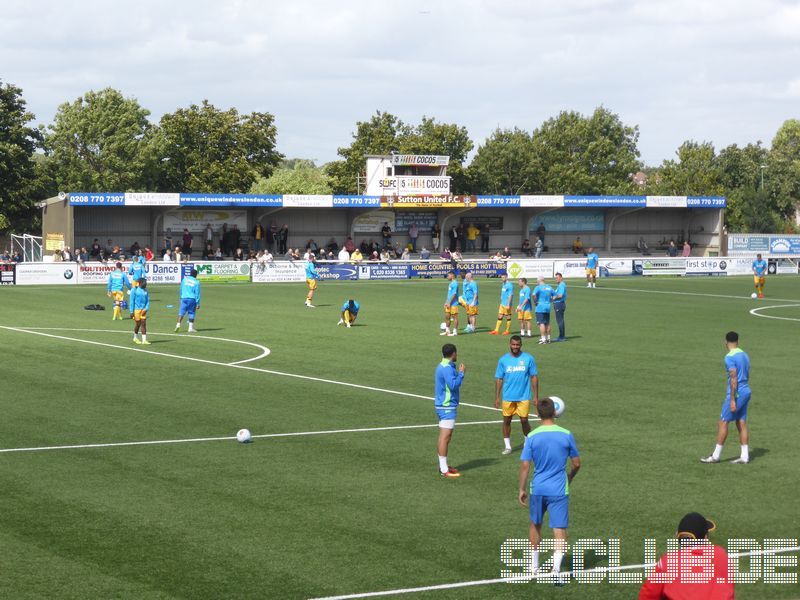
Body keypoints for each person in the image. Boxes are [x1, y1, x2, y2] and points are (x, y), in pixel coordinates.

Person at [518, 398, 580, 586]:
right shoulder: (566, 434)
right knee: (559, 529)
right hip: (559, 489)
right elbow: (577, 463)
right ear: (555, 413)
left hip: (538, 488)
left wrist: (521, 488)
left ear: (537, 414)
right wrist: (569, 476)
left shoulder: (532, 436)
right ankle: (555, 570)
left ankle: (533, 568)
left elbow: (525, 465)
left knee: (535, 525)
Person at [639, 513, 733, 599]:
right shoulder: (722, 555)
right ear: (705, 538)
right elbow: (728, 592)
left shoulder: (667, 561)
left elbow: (648, 595)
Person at [701, 331, 751, 464]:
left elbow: (733, 378)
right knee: (741, 422)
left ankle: (716, 456)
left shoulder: (729, 357)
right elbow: (747, 373)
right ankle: (745, 456)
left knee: (723, 422)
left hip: (737, 393)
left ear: (725, 342)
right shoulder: (745, 355)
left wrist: (733, 399)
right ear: (738, 342)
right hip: (746, 391)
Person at [495, 335, 538, 454]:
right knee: (507, 420)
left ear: (521, 345)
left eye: (517, 344)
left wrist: (535, 396)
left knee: (524, 420)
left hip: (523, 396)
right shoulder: (503, 360)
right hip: (508, 396)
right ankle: (508, 446)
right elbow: (499, 378)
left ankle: (527, 442)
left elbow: (534, 377)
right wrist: (497, 397)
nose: (515, 347)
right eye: (513, 344)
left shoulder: (528, 359)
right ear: (510, 344)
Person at [434, 343, 466, 478]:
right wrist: (461, 373)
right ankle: (443, 469)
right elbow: (453, 385)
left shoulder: (443, 366)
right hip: (447, 407)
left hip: (443, 406)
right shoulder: (446, 368)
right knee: (445, 437)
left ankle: (443, 466)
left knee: (444, 436)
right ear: (453, 353)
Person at [176, 268, 201, 333]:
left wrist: (181, 297)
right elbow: (197, 293)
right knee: (191, 312)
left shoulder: (184, 279)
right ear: (195, 275)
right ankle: (190, 328)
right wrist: (198, 303)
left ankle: (178, 325)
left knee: (181, 312)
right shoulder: (196, 282)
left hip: (184, 298)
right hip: (192, 299)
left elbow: (181, 289)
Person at [533, 275, 554, 344]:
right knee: (547, 323)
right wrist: (550, 300)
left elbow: (533, 295)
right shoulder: (549, 287)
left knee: (541, 323)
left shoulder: (538, 287)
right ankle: (548, 338)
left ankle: (543, 339)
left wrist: (535, 302)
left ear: (539, 281)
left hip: (540, 307)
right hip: (547, 306)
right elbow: (555, 295)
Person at [129, 279, 151, 345]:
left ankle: (144, 340)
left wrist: (146, 309)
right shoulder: (134, 290)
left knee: (143, 324)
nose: (146, 284)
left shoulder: (145, 290)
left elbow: (147, 301)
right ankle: (135, 337)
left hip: (143, 310)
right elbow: (131, 301)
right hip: (136, 310)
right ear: (140, 283)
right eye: (145, 282)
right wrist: (131, 311)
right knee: (138, 324)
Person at [441, 271, 460, 337]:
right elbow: (449, 294)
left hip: (454, 304)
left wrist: (449, 303)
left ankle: (455, 332)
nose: (447, 277)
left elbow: (454, 294)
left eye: (448, 275)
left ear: (452, 275)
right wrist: (446, 302)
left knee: (455, 317)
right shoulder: (451, 283)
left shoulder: (455, 283)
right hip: (449, 303)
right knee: (447, 317)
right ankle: (447, 331)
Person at [552, 272, 567, 342]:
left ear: (561, 278)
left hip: (559, 304)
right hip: (559, 304)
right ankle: (561, 336)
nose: (556, 279)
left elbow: (560, 295)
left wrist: (553, 298)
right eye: (556, 278)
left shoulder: (561, 285)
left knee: (560, 320)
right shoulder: (560, 285)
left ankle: (562, 336)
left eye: (557, 278)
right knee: (560, 320)